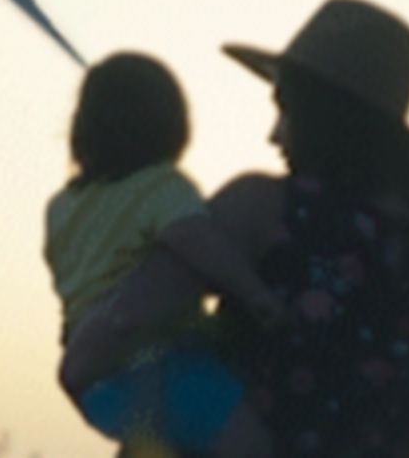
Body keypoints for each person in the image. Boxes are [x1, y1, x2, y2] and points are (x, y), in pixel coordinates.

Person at [63, 0, 409, 457]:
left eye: (287, 110)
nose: (275, 134)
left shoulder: (263, 209)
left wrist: (86, 370)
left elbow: (113, 332)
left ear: (327, 117)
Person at [45, 52, 285, 457]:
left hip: (98, 388)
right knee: (251, 446)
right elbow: (196, 240)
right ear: (172, 126)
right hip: (162, 365)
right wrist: (255, 294)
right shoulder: (163, 188)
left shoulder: (62, 208)